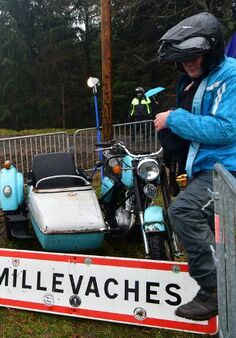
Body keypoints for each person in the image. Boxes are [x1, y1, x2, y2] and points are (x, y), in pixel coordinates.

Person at [154, 12, 236, 321]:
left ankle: (215, 289)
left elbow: (227, 129)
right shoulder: (197, 81)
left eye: (194, 57)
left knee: (184, 212)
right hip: (206, 167)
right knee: (213, 230)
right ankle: (224, 289)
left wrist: (174, 118)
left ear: (210, 52)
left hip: (227, 168)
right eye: (183, 59)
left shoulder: (230, 75)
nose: (188, 64)